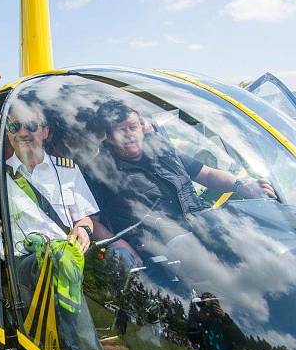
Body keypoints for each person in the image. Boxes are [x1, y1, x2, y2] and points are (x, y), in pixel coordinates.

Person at [86, 100, 276, 271]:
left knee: (262, 242)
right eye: (121, 130)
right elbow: (90, 220)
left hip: (203, 222)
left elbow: (207, 175)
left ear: (141, 128)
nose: (129, 135)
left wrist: (242, 186)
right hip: (160, 245)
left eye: (133, 127)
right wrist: (118, 243)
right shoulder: (99, 170)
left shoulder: (162, 150)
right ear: (108, 137)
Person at [2, 94, 105, 350]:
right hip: (23, 266)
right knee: (57, 264)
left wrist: (82, 230)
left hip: (65, 263)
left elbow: (86, 217)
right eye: (15, 127)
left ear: (45, 131)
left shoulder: (66, 170)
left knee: (61, 263)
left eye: (31, 125)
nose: (23, 132)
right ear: (8, 134)